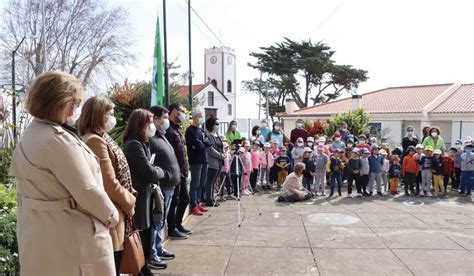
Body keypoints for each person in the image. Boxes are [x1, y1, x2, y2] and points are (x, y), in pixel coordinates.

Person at [10, 71, 119, 275]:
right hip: (74, 239)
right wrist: (113, 217)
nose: (75, 109)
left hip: (44, 237)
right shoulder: (56, 140)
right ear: (60, 102)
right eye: (75, 103)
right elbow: (87, 190)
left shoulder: (31, 134)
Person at [79, 96, 137, 274]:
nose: (113, 118)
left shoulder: (101, 137)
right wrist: (130, 201)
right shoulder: (95, 141)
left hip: (116, 210)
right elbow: (109, 183)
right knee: (114, 265)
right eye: (109, 113)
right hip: (112, 212)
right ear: (98, 115)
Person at [123, 109, 170, 271]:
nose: (152, 126)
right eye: (149, 122)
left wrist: (155, 170)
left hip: (147, 194)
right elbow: (149, 171)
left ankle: (145, 265)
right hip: (141, 195)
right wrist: (161, 172)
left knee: (149, 229)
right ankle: (142, 267)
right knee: (143, 231)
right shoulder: (134, 145)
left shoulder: (143, 142)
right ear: (140, 124)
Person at [148, 105, 182, 262]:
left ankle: (158, 247)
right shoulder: (151, 139)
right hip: (162, 186)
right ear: (155, 119)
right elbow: (151, 165)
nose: (167, 120)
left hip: (170, 185)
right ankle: (153, 252)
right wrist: (168, 176)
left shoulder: (162, 135)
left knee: (160, 221)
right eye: (165, 117)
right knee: (157, 221)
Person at [165, 103, 193, 238]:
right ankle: (172, 228)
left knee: (184, 199)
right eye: (181, 111)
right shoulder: (169, 130)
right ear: (174, 111)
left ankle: (178, 224)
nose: (183, 114)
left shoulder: (178, 129)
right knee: (175, 201)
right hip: (175, 172)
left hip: (182, 171)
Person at [185, 111, 212, 216]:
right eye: (199, 117)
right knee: (195, 184)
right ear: (194, 117)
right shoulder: (190, 130)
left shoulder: (201, 130)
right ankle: (193, 205)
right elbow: (197, 144)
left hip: (204, 160)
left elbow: (208, 142)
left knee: (201, 183)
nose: (201, 119)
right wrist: (203, 143)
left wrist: (203, 142)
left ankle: (198, 202)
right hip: (196, 161)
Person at [204, 116, 225, 206]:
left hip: (219, 161)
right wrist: (220, 155)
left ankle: (212, 198)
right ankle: (209, 199)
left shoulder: (218, 136)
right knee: (210, 182)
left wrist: (222, 155)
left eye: (218, 124)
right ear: (211, 125)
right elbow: (210, 149)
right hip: (212, 162)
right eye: (216, 124)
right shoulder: (208, 136)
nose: (218, 125)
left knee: (214, 181)